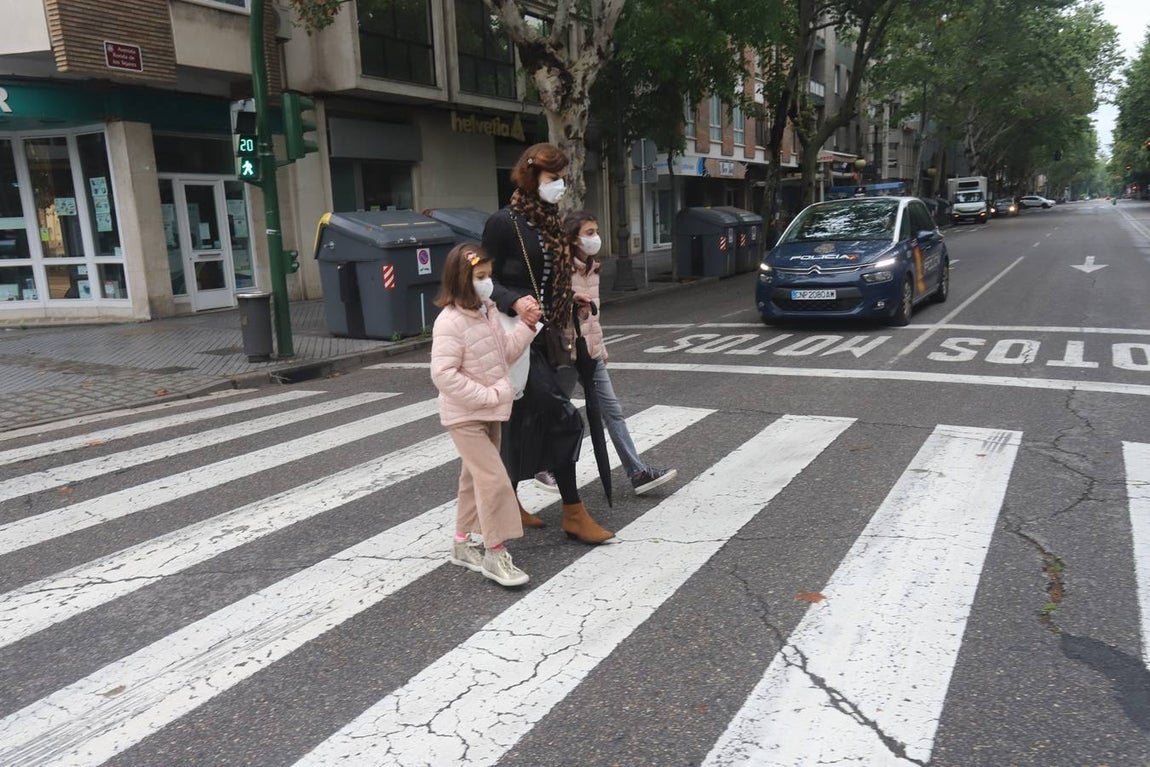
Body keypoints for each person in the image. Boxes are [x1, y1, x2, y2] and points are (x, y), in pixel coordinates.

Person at [482, 142, 614, 544]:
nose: (560, 185)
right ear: (531, 175)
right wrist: (513, 299)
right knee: (563, 417)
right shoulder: (503, 222)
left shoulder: (550, 221)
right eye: (554, 178)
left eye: (563, 178)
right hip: (513, 336)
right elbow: (483, 281)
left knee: (524, 423)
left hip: (547, 335)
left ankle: (510, 502)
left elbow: (550, 280)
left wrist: (568, 298)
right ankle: (573, 512)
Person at [430, 243, 539, 587]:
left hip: (490, 411)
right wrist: (488, 395)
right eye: (480, 276)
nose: (487, 282)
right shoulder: (450, 321)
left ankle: (462, 543)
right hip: (465, 416)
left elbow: (503, 353)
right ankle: (494, 552)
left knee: (473, 479)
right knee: (494, 480)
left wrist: (528, 326)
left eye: (489, 275)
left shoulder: (487, 311)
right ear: (461, 279)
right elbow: (443, 374)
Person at [558, 209, 677, 495]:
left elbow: (593, 317)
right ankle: (543, 467)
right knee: (555, 415)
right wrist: (570, 303)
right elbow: (550, 311)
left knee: (613, 412)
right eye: (589, 233)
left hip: (590, 353)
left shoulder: (593, 269)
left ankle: (637, 473)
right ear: (573, 238)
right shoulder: (560, 271)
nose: (596, 238)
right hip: (565, 355)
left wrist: (601, 346)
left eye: (596, 231)